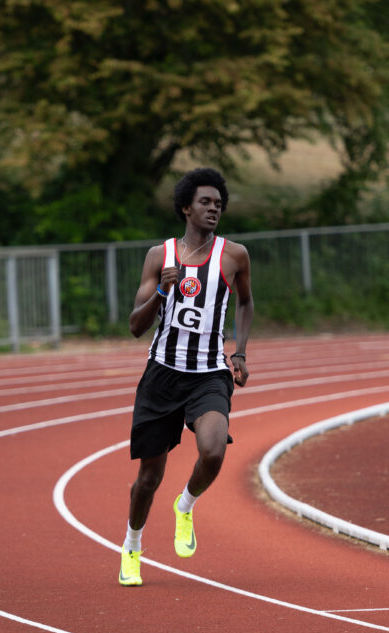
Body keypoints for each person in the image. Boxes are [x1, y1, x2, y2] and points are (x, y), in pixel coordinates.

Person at [119, 167, 254, 587]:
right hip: (162, 374)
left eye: (218, 204)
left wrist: (240, 352)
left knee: (213, 452)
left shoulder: (234, 256)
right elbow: (135, 326)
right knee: (148, 479)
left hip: (209, 373)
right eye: (205, 202)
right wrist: (162, 291)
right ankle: (132, 546)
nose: (214, 209)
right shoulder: (159, 256)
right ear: (185, 208)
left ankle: (185, 505)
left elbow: (245, 303)